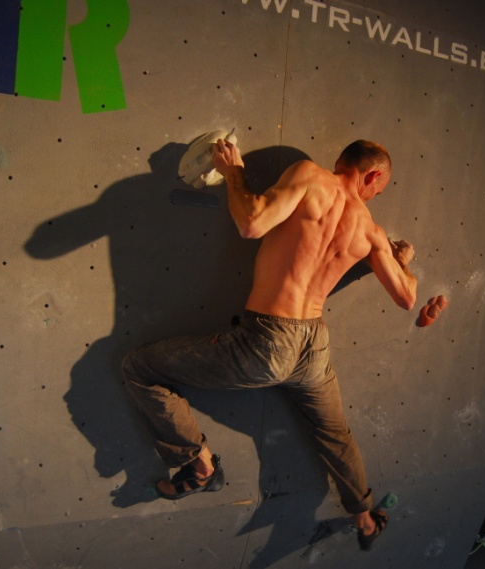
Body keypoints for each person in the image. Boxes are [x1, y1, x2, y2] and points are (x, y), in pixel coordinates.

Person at [122, 139, 417, 550]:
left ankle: (199, 467)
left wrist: (234, 173)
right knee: (335, 434)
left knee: (140, 368)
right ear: (372, 175)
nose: (373, 196)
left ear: (341, 162)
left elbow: (252, 223)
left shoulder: (310, 176)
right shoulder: (371, 231)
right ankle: (365, 519)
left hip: (267, 342)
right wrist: (402, 261)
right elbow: (407, 297)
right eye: (377, 190)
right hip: (314, 347)